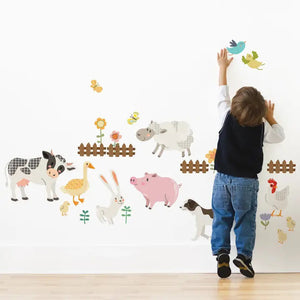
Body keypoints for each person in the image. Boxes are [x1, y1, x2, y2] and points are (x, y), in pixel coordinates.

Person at [211, 48, 285, 278]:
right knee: (245, 219)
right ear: (260, 113)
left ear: (234, 106)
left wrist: (223, 68)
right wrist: (270, 117)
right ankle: (243, 256)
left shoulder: (225, 115)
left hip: (221, 179)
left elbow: (222, 93)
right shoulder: (262, 129)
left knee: (222, 215)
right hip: (246, 183)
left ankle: (222, 253)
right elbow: (280, 135)